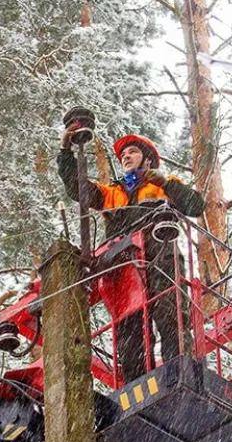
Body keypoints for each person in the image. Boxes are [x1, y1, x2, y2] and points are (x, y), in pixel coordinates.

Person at [57, 126, 205, 381]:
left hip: (160, 252)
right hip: (124, 263)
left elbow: (195, 204)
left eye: (133, 152)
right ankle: (137, 386)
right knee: (129, 329)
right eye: (123, 154)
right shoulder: (112, 194)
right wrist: (65, 151)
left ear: (148, 159)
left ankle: (180, 372)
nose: (126, 156)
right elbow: (76, 187)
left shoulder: (163, 186)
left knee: (168, 311)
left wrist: (166, 184)